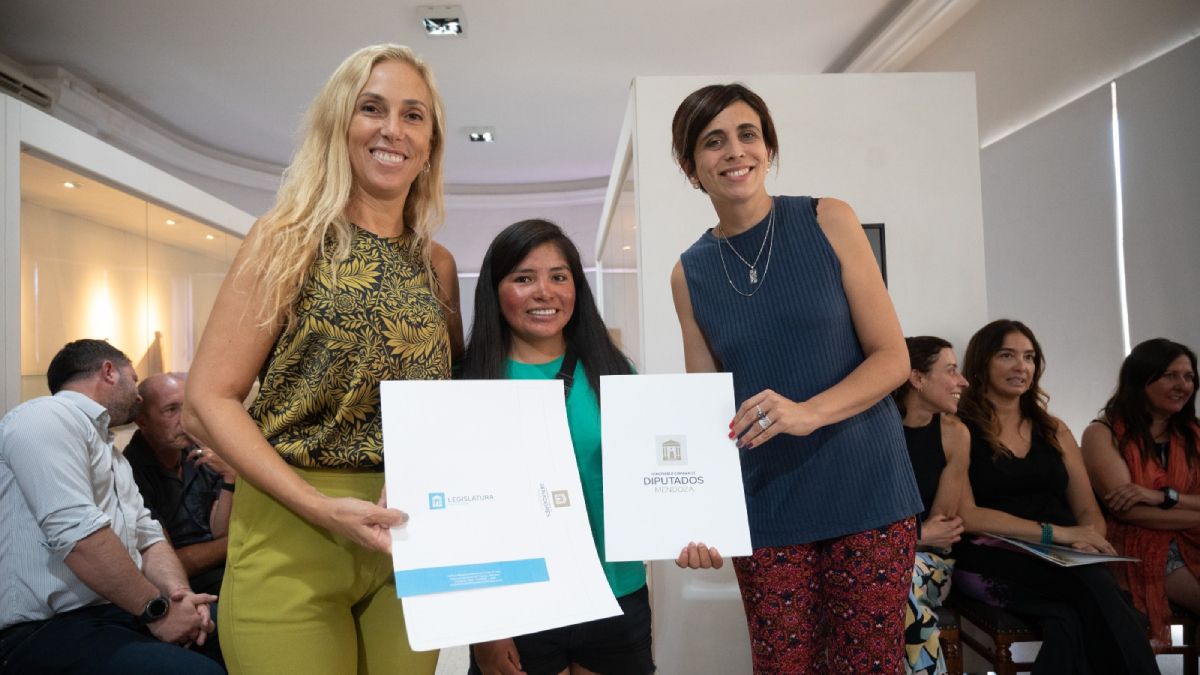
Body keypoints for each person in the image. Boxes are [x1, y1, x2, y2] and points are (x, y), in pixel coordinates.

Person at [182, 44, 462, 675]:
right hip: (292, 527)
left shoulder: (437, 265)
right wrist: (319, 506)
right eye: (372, 108)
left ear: (430, 145)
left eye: (413, 115)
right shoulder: (285, 239)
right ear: (340, 122)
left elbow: (442, 406)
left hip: (407, 534)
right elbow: (206, 401)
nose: (393, 130)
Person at [668, 82, 922, 673]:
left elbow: (892, 358)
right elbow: (705, 411)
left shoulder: (828, 218)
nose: (735, 151)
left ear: (768, 147)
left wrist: (809, 412)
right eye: (713, 141)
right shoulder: (688, 273)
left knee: (867, 665)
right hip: (766, 501)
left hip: (868, 490)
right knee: (783, 666)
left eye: (748, 134)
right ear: (690, 166)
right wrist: (697, 516)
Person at [460, 219, 653, 675]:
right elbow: (462, 517)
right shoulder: (467, 383)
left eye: (558, 277)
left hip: (615, 590)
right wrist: (486, 626)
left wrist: (689, 528)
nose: (544, 292)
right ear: (494, 291)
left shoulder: (615, 371)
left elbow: (648, 479)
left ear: (576, 288)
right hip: (517, 601)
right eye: (524, 278)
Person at [0, 339, 220, 675]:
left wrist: (180, 599)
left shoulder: (112, 456)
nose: (139, 396)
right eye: (134, 380)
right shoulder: (43, 417)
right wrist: (157, 611)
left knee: (237, 633)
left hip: (117, 612)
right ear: (108, 372)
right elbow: (79, 537)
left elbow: (148, 536)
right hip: (44, 629)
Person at [953, 319, 1159, 674]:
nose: (1021, 366)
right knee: (1098, 592)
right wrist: (1059, 534)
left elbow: (1087, 511)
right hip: (991, 557)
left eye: (1029, 357)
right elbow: (968, 515)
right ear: (981, 363)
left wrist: (1088, 540)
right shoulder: (958, 428)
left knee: (1069, 618)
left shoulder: (1054, 429)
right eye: (1007, 355)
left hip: (1061, 557)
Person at [1081, 338, 1200, 644]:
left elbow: (1147, 504)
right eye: (1170, 376)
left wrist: (1162, 496)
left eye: (1188, 377)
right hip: (1137, 547)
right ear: (1141, 379)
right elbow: (1129, 510)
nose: (1183, 385)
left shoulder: (1195, 435)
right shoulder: (1103, 433)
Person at [891, 336, 970, 675]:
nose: (962, 382)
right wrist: (919, 534)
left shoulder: (954, 434)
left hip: (930, 563)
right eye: (951, 370)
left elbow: (943, 531)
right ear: (917, 378)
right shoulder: (875, 431)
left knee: (904, 579)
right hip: (880, 555)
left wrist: (917, 538)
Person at [126, 372, 235, 598]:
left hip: (225, 568)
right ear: (142, 421)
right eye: (171, 410)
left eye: (187, 408)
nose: (184, 419)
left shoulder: (200, 452)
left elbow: (220, 531)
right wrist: (239, 543)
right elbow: (169, 563)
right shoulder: (129, 471)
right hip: (179, 588)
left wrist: (230, 477)